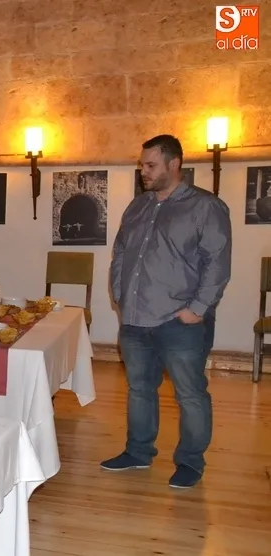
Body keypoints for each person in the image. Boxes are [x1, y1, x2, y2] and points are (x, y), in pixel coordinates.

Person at [104, 134, 231, 489]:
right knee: (139, 389)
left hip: (180, 322)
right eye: (142, 165)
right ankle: (138, 451)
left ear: (174, 164)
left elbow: (217, 263)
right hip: (134, 319)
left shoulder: (206, 207)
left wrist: (198, 309)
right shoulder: (138, 207)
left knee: (190, 393)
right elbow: (121, 255)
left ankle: (190, 462)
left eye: (150, 165)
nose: (143, 171)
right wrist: (120, 295)